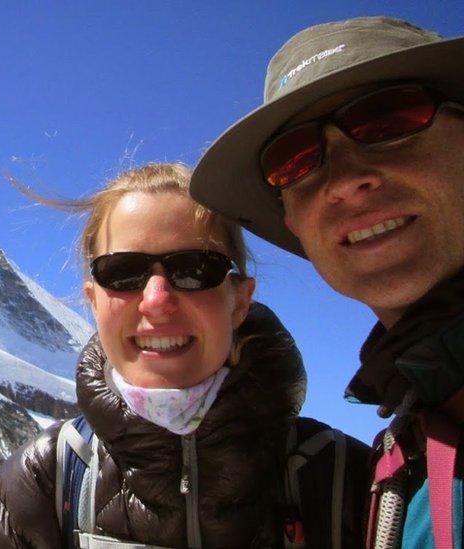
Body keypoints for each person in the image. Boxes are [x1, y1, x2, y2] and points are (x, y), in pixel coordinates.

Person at [0, 163, 369, 548]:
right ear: (94, 301)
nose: (156, 301)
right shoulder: (45, 480)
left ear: (240, 301)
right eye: (122, 272)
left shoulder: (345, 480)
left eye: (194, 269)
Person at [189, 16, 464, 548]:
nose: (343, 179)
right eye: (293, 162)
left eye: (389, 121)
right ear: (290, 218)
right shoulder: (413, 435)